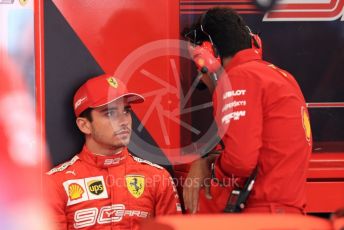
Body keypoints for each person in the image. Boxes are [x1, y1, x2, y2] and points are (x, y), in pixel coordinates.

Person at [183, 7, 312, 214]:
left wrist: (210, 169)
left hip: (261, 214)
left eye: (198, 67)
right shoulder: (281, 76)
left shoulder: (239, 77)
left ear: (207, 54)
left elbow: (240, 161)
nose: (202, 78)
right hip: (289, 212)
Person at [45, 73, 181, 229]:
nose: (123, 121)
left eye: (126, 111)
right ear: (84, 125)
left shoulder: (158, 177)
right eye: (109, 113)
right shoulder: (55, 184)